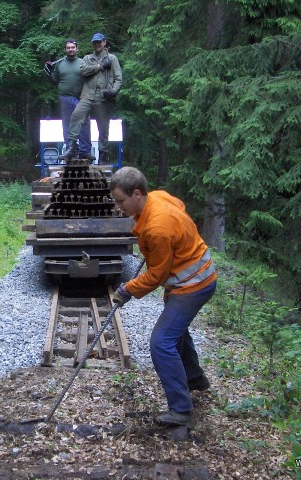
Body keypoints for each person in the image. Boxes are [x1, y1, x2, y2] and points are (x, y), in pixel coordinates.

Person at [110, 167, 217, 427]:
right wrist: (168, 245)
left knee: (161, 342)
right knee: (177, 332)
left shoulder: (157, 227)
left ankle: (180, 410)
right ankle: (194, 379)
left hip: (192, 285)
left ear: (137, 193)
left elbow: (156, 276)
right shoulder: (158, 197)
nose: (118, 207)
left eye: (121, 201)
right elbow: (180, 205)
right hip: (199, 276)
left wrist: (127, 290)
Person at [61, 32, 122, 164]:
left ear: (104, 42)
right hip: (88, 95)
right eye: (95, 42)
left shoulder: (112, 58)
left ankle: (103, 155)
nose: (97, 45)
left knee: (103, 127)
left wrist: (113, 91)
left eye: (99, 42)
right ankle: (71, 147)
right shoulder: (88, 58)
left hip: (104, 97)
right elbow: (83, 70)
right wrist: (99, 66)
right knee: (76, 116)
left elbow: (118, 78)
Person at [46, 39, 94, 161]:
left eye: (73, 47)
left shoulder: (83, 62)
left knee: (84, 123)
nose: (70, 49)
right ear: (65, 50)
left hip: (81, 98)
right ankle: (71, 150)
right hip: (65, 98)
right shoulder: (60, 63)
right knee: (67, 124)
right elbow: (54, 79)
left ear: (77, 49)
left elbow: (91, 79)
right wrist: (49, 71)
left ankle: (85, 151)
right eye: (68, 48)